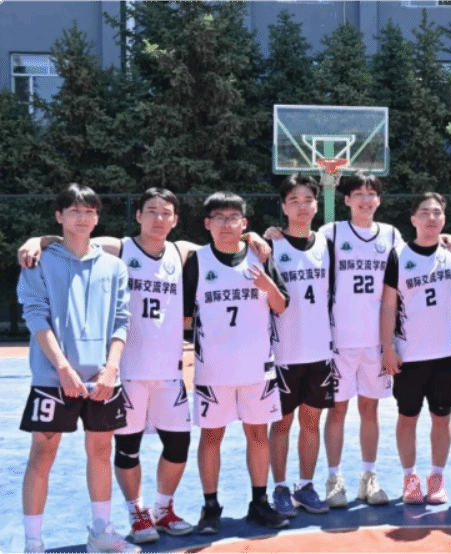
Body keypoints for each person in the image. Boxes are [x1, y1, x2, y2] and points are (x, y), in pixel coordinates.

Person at [17, 188, 272, 544]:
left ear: (176, 219)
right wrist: (38, 240)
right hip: (126, 370)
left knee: (178, 446)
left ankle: (163, 508)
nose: (158, 218)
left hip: (168, 370)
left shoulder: (182, 251)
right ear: (138, 216)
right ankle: (136, 512)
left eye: (166, 213)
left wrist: (252, 235)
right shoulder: (118, 248)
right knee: (126, 449)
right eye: (151, 211)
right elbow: (75, 237)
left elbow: (224, 236)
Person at [17, 184, 139, 554]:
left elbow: (121, 321)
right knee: (43, 455)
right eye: (74, 211)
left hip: (102, 379)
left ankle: (101, 533)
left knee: (101, 452)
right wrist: (63, 369)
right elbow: (35, 316)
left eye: (89, 211)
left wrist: (110, 369)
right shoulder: (39, 260)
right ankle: (33, 543)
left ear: (97, 217)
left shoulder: (114, 266)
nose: (82, 217)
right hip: (53, 378)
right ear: (59, 216)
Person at [182, 192, 289, 534]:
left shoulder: (260, 256)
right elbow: (184, 315)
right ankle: (210, 506)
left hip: (257, 367)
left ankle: (259, 502)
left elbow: (281, 305)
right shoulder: (198, 261)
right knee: (211, 436)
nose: (226, 224)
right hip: (213, 369)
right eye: (219, 217)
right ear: (207, 223)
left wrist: (267, 284)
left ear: (244, 223)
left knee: (257, 434)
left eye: (233, 218)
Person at [317, 173, 401, 508]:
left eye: (371, 193)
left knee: (370, 408)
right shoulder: (331, 233)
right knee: (337, 410)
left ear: (378, 200)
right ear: (347, 200)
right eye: (359, 194)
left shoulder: (391, 235)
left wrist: (448, 238)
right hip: (339, 338)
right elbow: (300, 247)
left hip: (375, 339)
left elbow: (414, 260)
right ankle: (334, 478)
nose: (366, 199)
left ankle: (369, 476)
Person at [380, 192, 451, 505]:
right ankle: (410, 477)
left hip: (445, 354)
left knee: (442, 417)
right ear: (413, 219)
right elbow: (389, 305)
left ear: (445, 219)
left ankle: (436, 477)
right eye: (425, 212)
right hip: (409, 354)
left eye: (437, 212)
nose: (431, 218)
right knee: (407, 417)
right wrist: (387, 347)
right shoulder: (399, 255)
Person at [268, 175, 336, 516]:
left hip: (320, 351)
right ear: (283, 207)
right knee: (282, 423)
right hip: (284, 353)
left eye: (308, 199)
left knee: (312, 423)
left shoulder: (326, 244)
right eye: (293, 200)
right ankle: (280, 487)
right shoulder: (269, 246)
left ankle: (305, 485)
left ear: (316, 205)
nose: (301, 206)